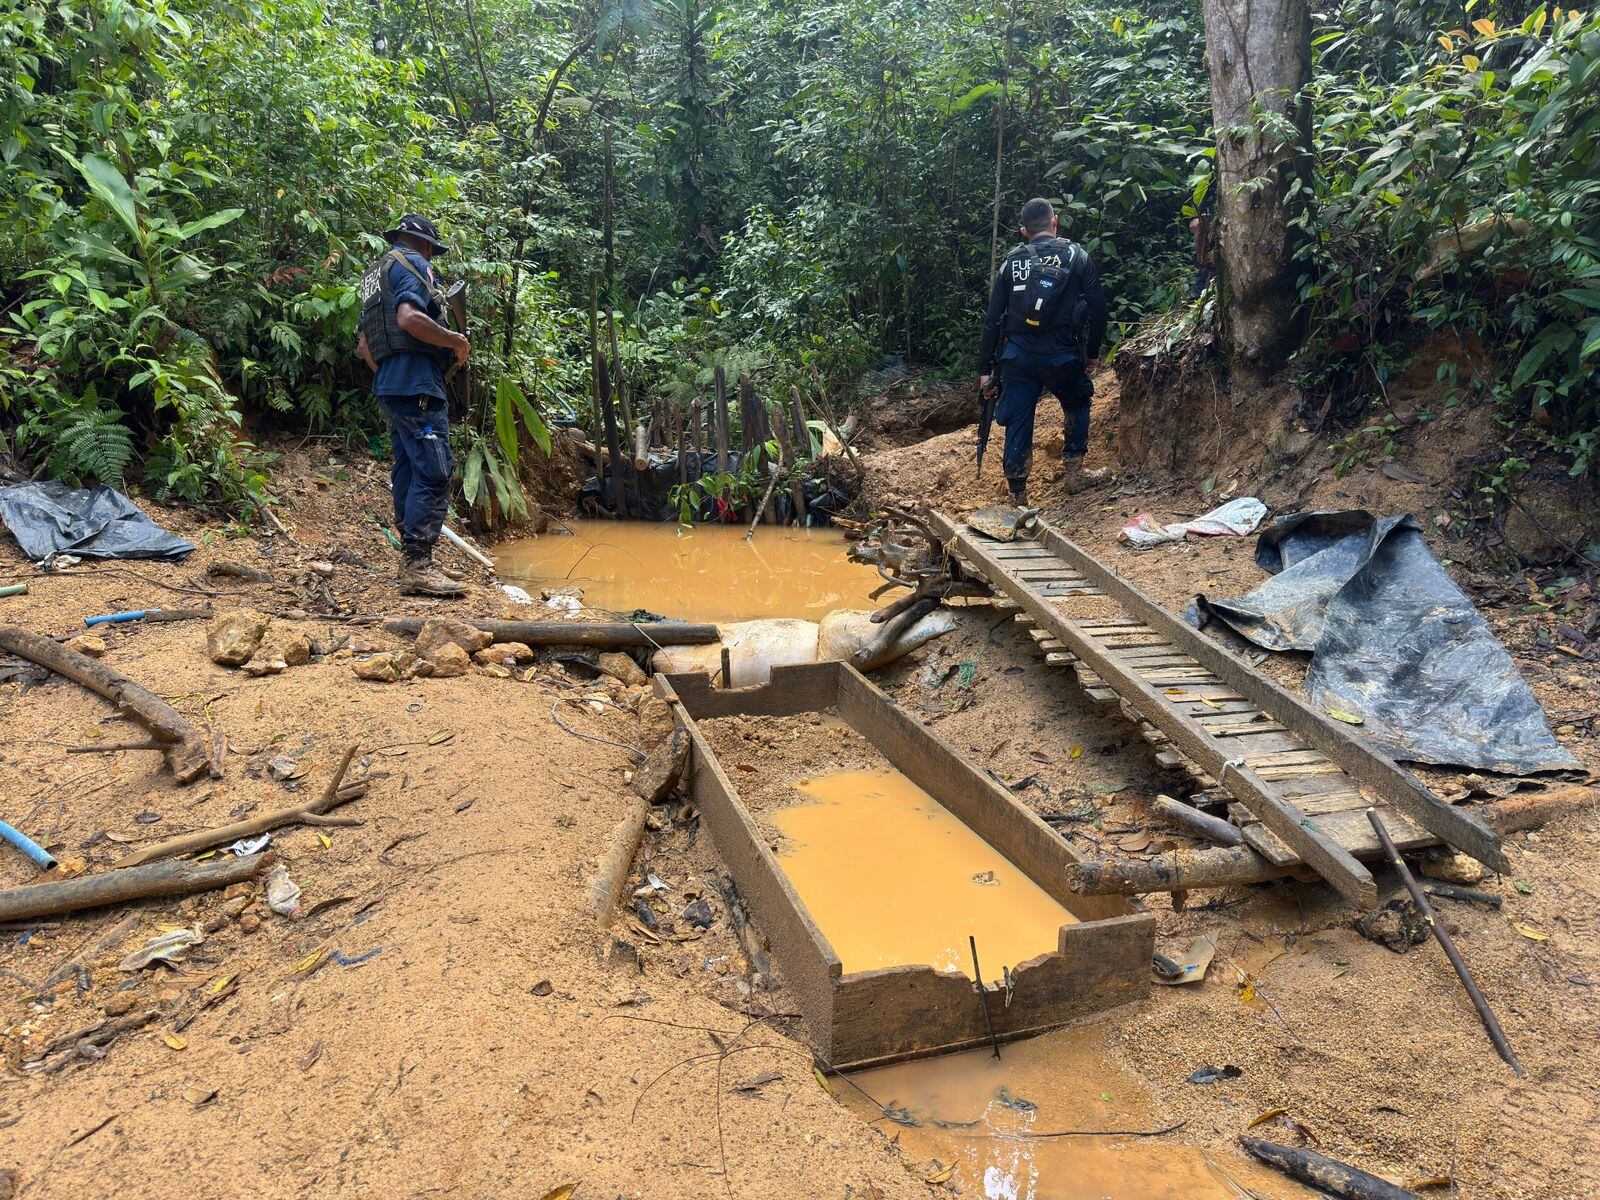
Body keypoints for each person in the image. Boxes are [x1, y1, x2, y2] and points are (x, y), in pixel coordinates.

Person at [356, 214, 471, 597]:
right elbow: (409, 317)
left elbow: (364, 348)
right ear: (424, 246)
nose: (431, 257)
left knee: (407, 465)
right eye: (432, 251)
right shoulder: (414, 264)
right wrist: (454, 340)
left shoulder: (373, 278)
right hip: (417, 386)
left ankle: (411, 558)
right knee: (436, 469)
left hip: (389, 386)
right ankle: (418, 566)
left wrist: (391, 373)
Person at [976, 197, 1109, 507]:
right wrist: (1092, 354)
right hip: (1062, 356)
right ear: (1055, 221)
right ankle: (1074, 473)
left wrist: (985, 369)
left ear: (1024, 232)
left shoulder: (1011, 263)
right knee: (1077, 400)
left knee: (1019, 419)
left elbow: (993, 319)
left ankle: (1019, 497)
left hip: (1019, 357)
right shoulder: (1078, 257)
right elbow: (1098, 310)